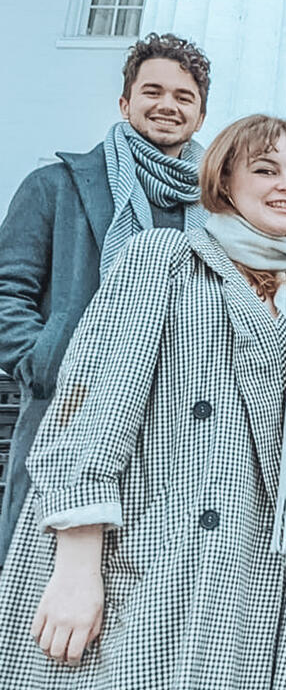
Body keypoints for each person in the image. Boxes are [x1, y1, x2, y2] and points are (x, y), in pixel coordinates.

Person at [0, 114, 286, 687]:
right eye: (266, 170)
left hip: (246, 570)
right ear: (224, 181)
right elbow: (93, 407)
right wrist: (77, 563)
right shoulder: (163, 257)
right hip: (140, 551)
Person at [0, 32, 211, 561]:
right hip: (69, 410)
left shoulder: (220, 208)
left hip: (173, 422)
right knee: (39, 575)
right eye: (152, 91)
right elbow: (7, 292)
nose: (167, 105)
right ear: (125, 103)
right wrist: (47, 363)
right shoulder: (56, 185)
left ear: (201, 116)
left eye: (184, 97)